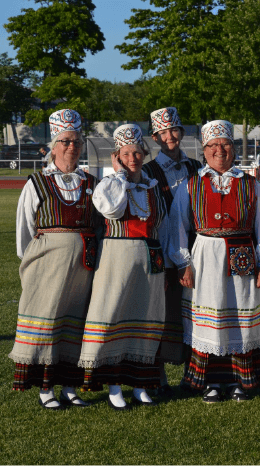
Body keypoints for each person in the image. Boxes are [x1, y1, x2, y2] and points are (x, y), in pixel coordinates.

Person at [168, 120, 260, 403]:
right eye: (213, 146)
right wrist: (183, 262)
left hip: (242, 254)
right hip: (205, 256)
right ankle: (210, 381)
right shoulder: (191, 185)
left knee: (239, 316)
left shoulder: (250, 184)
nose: (219, 150)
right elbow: (178, 225)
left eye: (225, 145)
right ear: (204, 151)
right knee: (210, 318)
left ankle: (241, 380)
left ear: (234, 149)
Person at [11, 109, 97, 410]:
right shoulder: (36, 183)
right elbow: (25, 233)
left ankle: (71, 388)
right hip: (47, 270)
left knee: (77, 325)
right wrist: (36, 265)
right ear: (53, 146)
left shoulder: (92, 183)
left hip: (83, 270)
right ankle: (46, 389)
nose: (71, 147)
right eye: (65, 141)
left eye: (76, 141)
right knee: (49, 324)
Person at [78, 124, 167, 410]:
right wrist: (118, 175)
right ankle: (114, 385)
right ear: (117, 156)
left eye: (137, 152)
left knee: (144, 316)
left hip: (149, 258)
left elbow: (162, 225)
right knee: (114, 315)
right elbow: (112, 209)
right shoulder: (109, 185)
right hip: (117, 257)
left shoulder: (152, 188)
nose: (133, 158)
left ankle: (140, 384)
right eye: (127, 153)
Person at [143, 107, 203, 396]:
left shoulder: (196, 167)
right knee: (161, 313)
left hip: (197, 250)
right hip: (163, 251)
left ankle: (196, 373)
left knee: (195, 312)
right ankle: (159, 377)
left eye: (174, 130)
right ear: (155, 137)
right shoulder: (148, 171)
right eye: (163, 132)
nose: (170, 136)